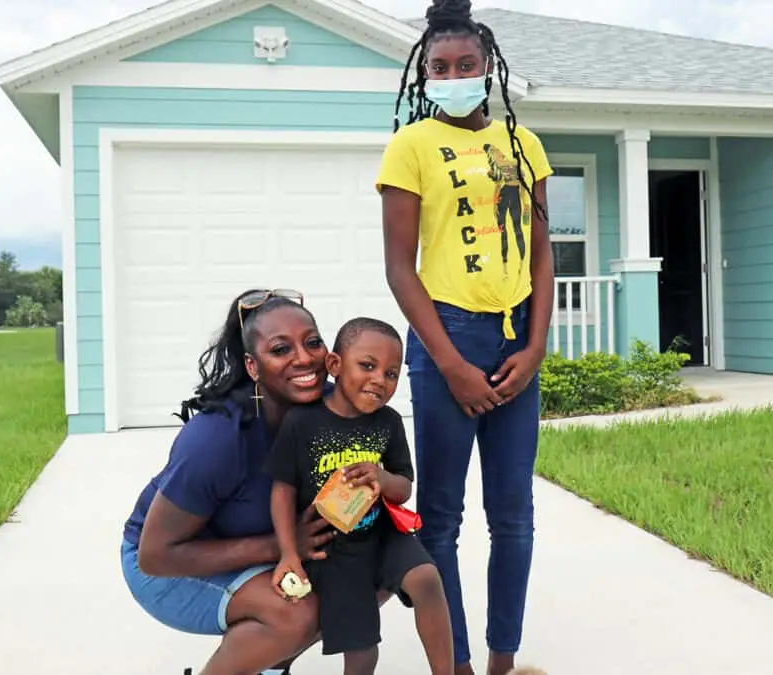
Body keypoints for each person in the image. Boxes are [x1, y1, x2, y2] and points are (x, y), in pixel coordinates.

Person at [377, 1, 554, 673]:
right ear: (424, 76)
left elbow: (543, 256)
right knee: (442, 518)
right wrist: (449, 363)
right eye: (438, 67)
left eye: (465, 65)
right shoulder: (411, 146)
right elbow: (399, 267)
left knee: (513, 515)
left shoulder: (523, 144)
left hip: (516, 341)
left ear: (489, 69)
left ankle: (502, 661)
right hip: (446, 335)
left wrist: (535, 348)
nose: (452, 76)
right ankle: (452, 665)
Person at [119, 289, 389, 675]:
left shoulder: (334, 411)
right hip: (168, 567)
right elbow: (156, 556)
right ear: (253, 366)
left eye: (312, 342)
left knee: (380, 568)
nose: (304, 358)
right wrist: (283, 545)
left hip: (266, 548)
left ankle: (270, 667)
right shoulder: (217, 439)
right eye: (281, 350)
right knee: (296, 613)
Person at [266, 317, 453, 675]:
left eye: (391, 374)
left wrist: (382, 478)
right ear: (335, 365)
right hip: (334, 550)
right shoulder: (302, 423)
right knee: (362, 651)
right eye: (367, 366)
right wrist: (289, 553)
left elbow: (404, 488)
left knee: (427, 579)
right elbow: (282, 491)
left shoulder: (389, 422)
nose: (379, 380)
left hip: (382, 534)